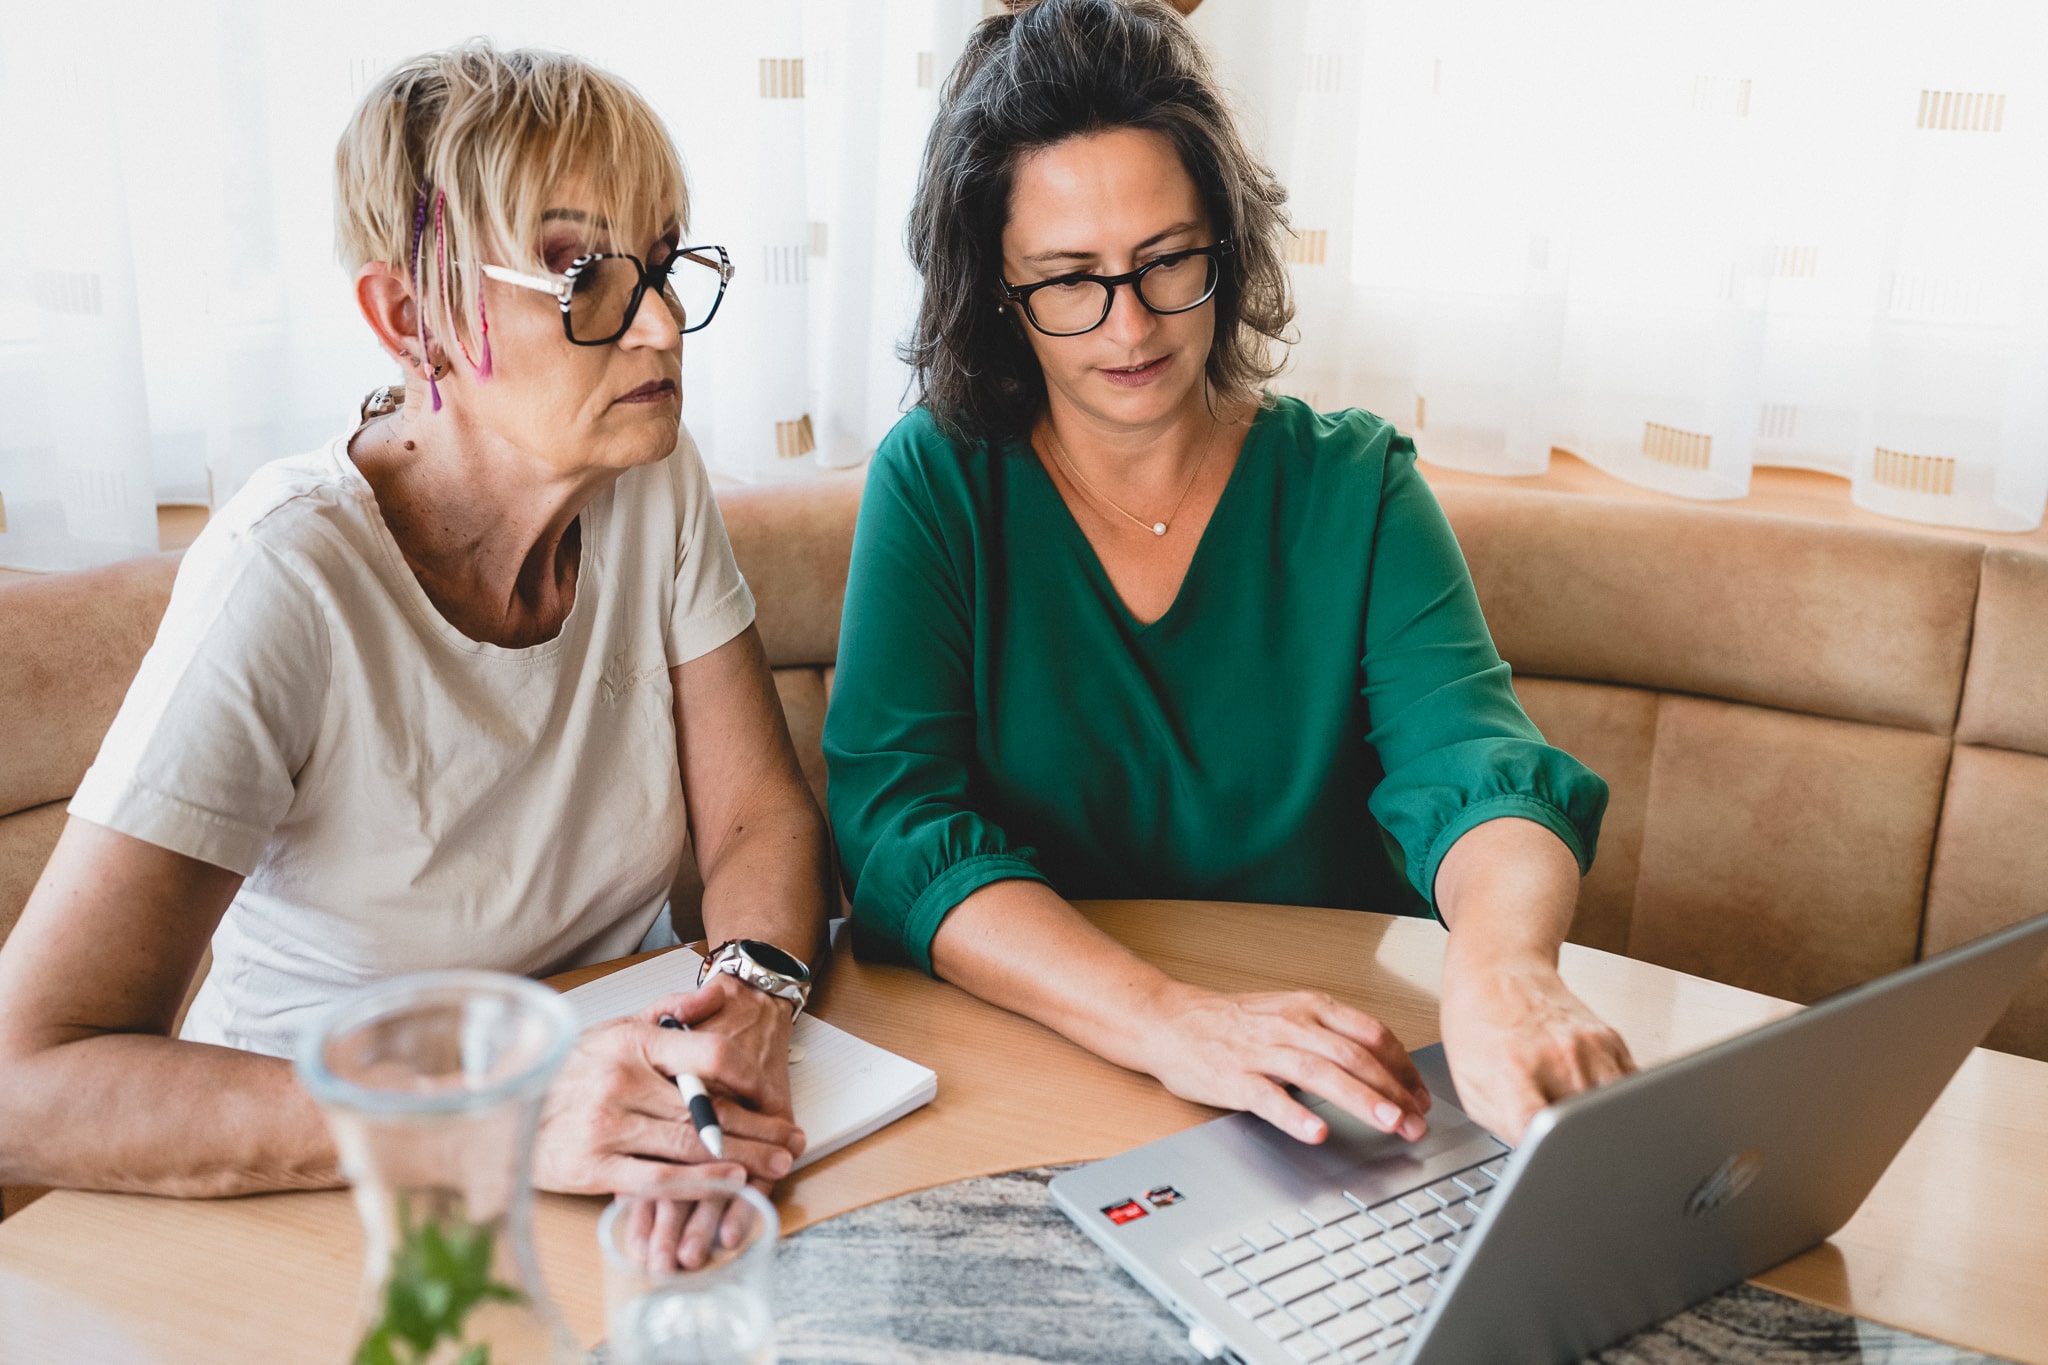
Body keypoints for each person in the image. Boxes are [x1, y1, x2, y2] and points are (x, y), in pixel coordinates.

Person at [0, 43, 828, 1263]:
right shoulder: (286, 577)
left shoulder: (647, 479)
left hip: (598, 1117)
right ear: (410, 318)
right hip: (327, 1185)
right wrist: (496, 1118)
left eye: (661, 262)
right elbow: (27, 1083)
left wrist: (751, 996)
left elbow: (757, 817)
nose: (656, 323)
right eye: (579, 272)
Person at [824, 0, 1635, 1149]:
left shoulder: (1353, 486)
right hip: (1028, 1063)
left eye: (1167, 261)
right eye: (1066, 281)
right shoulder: (937, 481)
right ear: (994, 293)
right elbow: (896, 828)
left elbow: (1475, 764)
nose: (1129, 327)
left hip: (1320, 1079)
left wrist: (1502, 970)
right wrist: (1165, 1021)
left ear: (1227, 239)